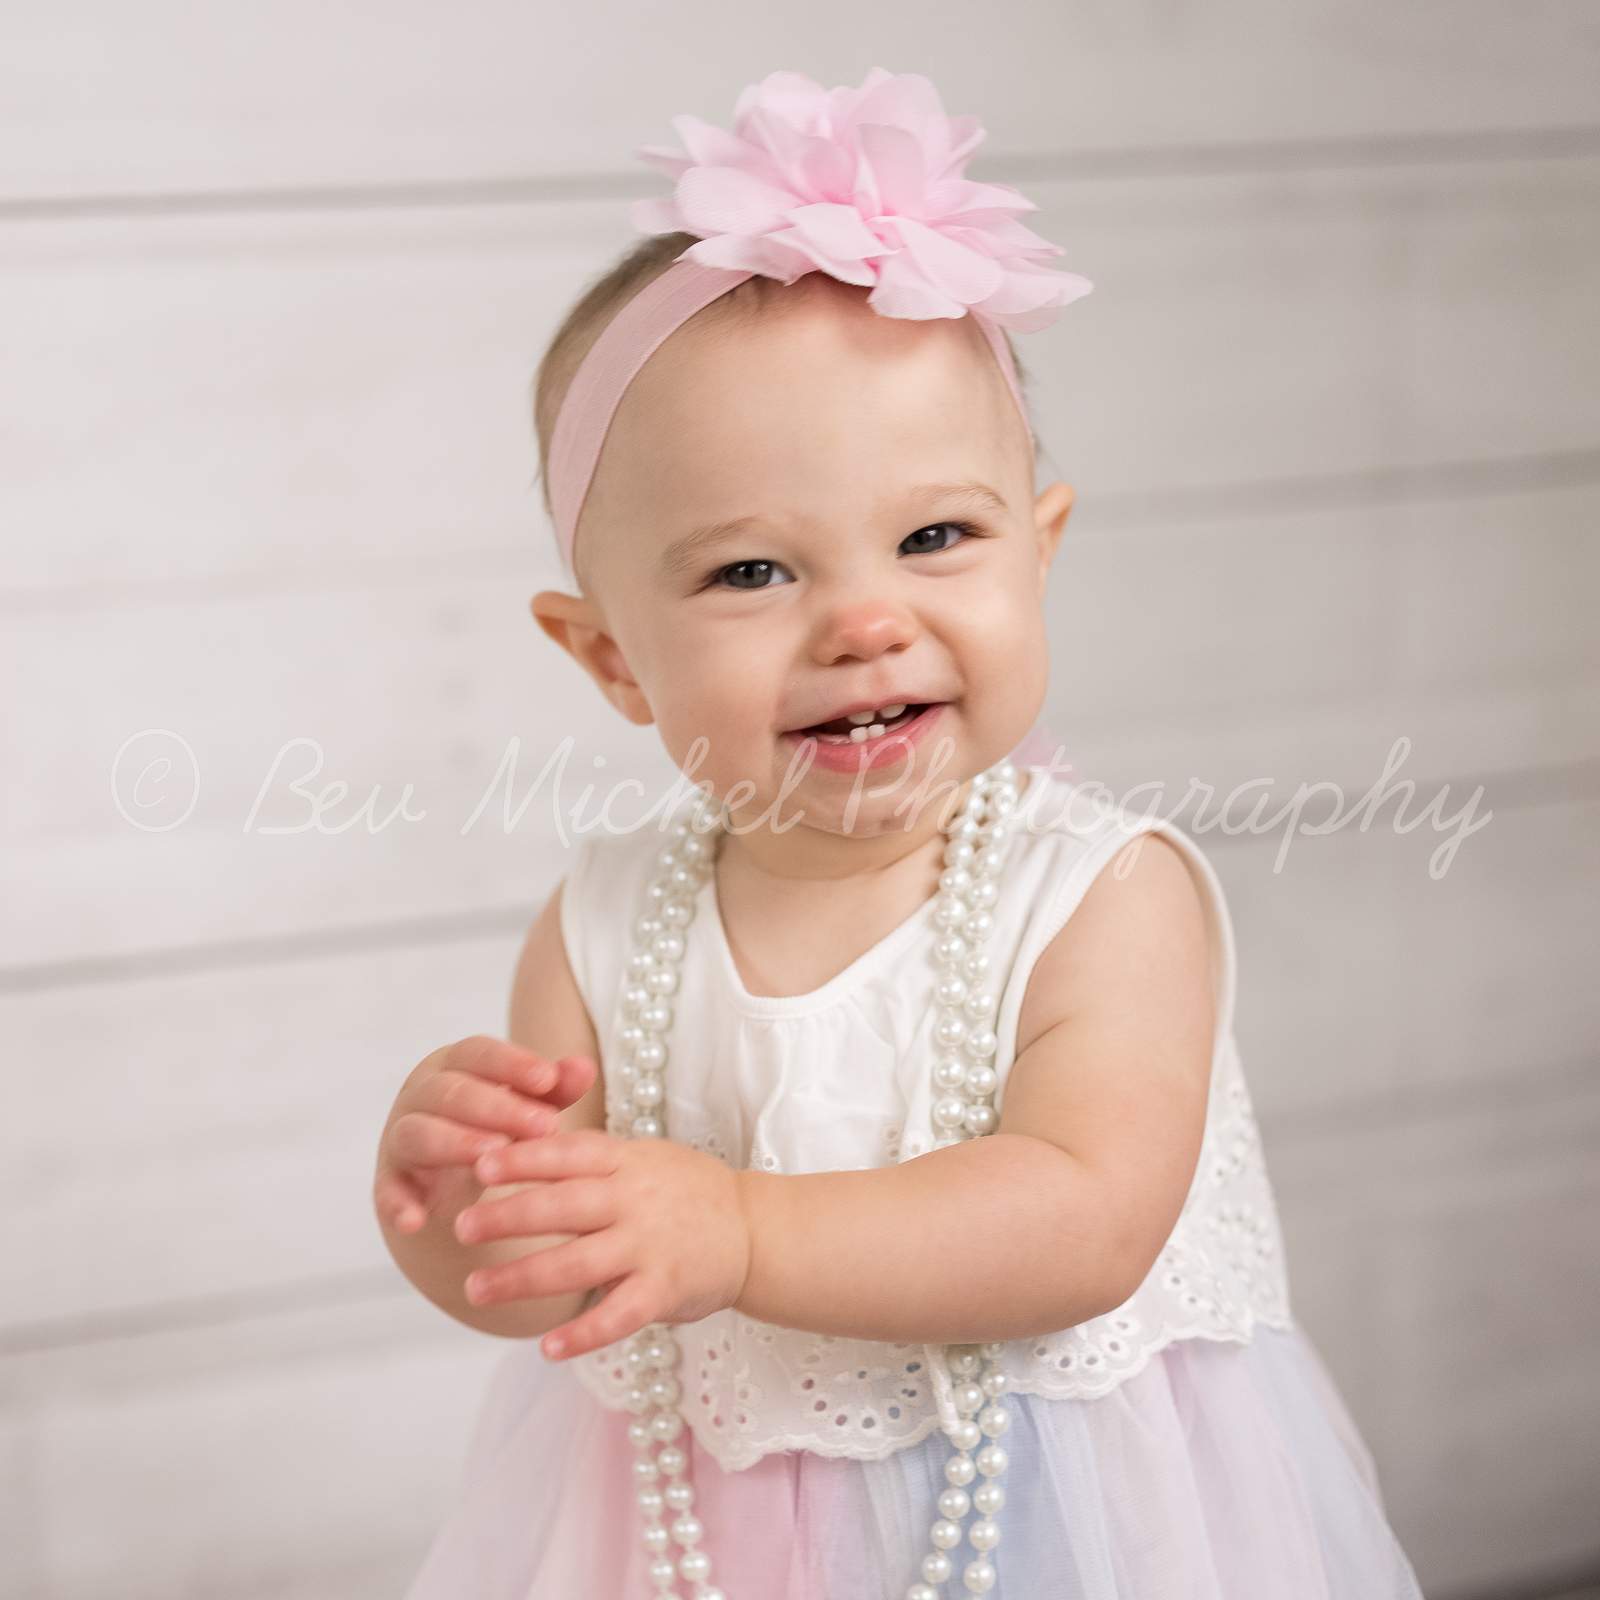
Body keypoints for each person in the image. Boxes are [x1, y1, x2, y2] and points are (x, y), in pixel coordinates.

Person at [374, 67, 1427, 1599]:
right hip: (699, 1532)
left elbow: (1085, 1220)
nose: (867, 621)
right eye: (751, 572)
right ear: (610, 658)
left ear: (1038, 552)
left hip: (1070, 1519)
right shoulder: (602, 927)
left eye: (935, 537)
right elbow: (569, 1273)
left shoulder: (1099, 897)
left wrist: (739, 1230)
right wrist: (461, 1212)